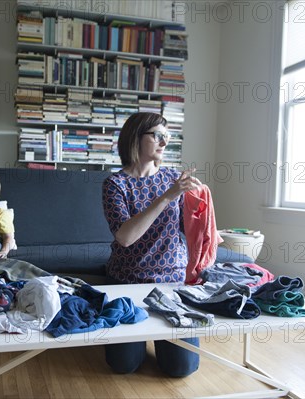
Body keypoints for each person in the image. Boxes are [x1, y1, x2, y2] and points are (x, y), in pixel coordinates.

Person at [102, 112, 201, 376]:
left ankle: (157, 334)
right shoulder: (116, 184)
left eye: (167, 137)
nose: (164, 143)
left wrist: (204, 217)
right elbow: (125, 237)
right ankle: (142, 335)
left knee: (182, 368)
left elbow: (187, 229)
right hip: (129, 279)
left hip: (171, 280)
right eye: (157, 136)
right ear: (136, 137)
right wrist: (167, 197)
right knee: (123, 365)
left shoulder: (173, 179)